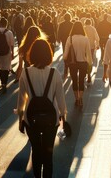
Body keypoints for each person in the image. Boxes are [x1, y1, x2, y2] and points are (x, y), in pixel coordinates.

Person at [17, 38, 67, 178]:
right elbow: (61, 99)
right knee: (48, 153)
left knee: (36, 151)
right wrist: (63, 116)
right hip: (51, 119)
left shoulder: (26, 73)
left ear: (32, 54)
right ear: (48, 54)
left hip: (31, 118)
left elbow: (21, 99)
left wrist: (21, 119)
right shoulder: (54, 73)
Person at [63, 21, 92, 106]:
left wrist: (65, 59)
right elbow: (88, 53)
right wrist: (90, 63)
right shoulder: (85, 39)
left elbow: (66, 53)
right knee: (81, 80)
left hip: (73, 63)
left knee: (74, 80)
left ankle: (76, 98)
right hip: (83, 62)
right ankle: (80, 97)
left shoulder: (70, 38)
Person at [56, 13, 73, 79]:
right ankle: (70, 68)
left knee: (65, 53)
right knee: (70, 54)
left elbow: (59, 32)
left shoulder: (61, 24)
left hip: (64, 40)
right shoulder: (72, 24)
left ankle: (66, 67)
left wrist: (58, 39)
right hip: (71, 41)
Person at [83, 18, 99, 83]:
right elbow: (97, 38)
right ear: (90, 22)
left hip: (83, 46)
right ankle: (89, 73)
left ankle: (84, 72)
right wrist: (97, 45)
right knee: (90, 60)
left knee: (84, 59)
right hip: (91, 46)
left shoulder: (83, 28)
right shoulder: (93, 29)